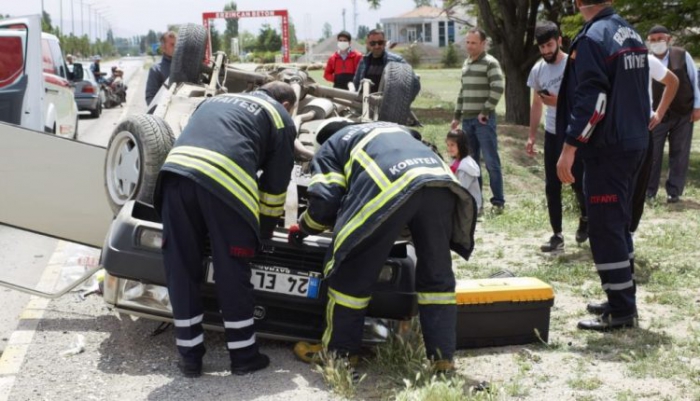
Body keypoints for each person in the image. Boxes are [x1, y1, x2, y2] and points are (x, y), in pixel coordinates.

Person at [290, 120, 476, 373]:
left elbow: (325, 203)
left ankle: (340, 355)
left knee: (350, 276)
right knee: (437, 280)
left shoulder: (330, 147)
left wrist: (304, 227)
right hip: (441, 184)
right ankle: (442, 360)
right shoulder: (389, 129)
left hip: (392, 189)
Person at [153, 82, 298, 378]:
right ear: (286, 105)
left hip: (175, 177)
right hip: (226, 184)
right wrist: (265, 230)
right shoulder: (280, 117)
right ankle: (244, 356)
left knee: (181, 268)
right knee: (232, 269)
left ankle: (189, 359)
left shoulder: (215, 100)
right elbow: (274, 185)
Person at [556, 0, 649, 331]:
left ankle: (623, 310)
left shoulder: (594, 38)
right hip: (633, 141)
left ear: (579, 3)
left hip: (609, 148)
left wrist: (569, 148)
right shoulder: (630, 33)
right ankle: (620, 295)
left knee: (605, 227)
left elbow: (594, 101)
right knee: (618, 223)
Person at [526, 21, 588, 252]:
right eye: (541, 47)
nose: (545, 51)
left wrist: (559, 102)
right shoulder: (538, 70)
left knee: (577, 184)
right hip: (552, 133)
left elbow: (585, 100)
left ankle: (586, 217)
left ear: (559, 41)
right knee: (552, 186)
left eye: (549, 45)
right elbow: (536, 104)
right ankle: (557, 235)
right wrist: (532, 136)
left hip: (574, 133)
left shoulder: (574, 65)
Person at [450, 28, 505, 213]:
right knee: (472, 164)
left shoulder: (491, 63)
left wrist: (485, 111)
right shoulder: (466, 64)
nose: (470, 46)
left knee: (491, 162)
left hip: (484, 121)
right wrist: (457, 116)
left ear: (483, 44)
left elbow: (498, 87)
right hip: (467, 121)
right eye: (467, 42)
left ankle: (498, 202)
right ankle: (476, 203)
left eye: (474, 42)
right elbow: (462, 92)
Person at [645, 25, 700, 204]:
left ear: (668, 39)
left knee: (680, 152)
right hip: (657, 116)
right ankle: (649, 191)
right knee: (652, 153)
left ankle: (674, 192)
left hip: (683, 112)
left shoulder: (682, 55)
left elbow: (694, 81)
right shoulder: (646, 60)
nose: (656, 43)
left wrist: (697, 107)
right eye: (652, 40)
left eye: (660, 39)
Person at [628, 56, 679, 235]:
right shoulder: (609, 58)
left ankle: (630, 233)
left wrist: (659, 113)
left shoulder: (646, 59)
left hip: (642, 127)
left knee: (639, 185)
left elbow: (672, 81)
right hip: (616, 129)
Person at [352, 29, 418, 94]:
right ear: (368, 44)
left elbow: (415, 84)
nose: (377, 46)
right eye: (373, 43)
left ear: (385, 43)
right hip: (366, 103)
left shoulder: (397, 61)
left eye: (380, 43)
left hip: (388, 104)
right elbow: (356, 83)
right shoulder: (363, 61)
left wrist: (401, 102)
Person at [446, 129, 482, 212]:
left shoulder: (466, 166)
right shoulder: (455, 161)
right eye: (448, 145)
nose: (449, 148)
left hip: (469, 206)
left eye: (452, 145)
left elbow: (462, 189)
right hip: (459, 200)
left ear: (461, 145)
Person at [145, 31, 177, 105]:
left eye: (177, 44)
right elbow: (150, 99)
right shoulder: (156, 70)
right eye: (172, 45)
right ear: (163, 48)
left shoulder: (187, 65)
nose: (176, 47)